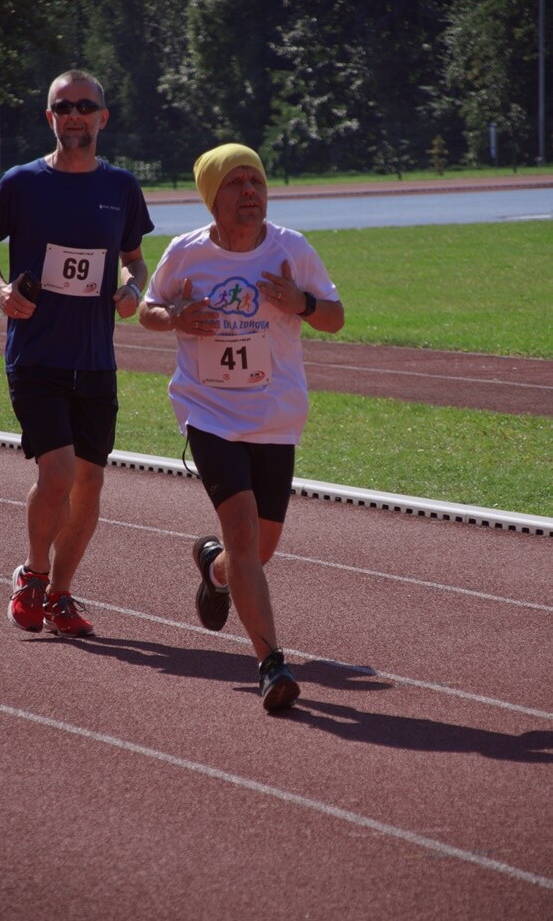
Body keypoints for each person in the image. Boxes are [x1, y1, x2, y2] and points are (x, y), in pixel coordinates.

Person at [138, 143, 344, 711]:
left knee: (259, 547)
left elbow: (334, 316)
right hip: (210, 413)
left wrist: (299, 301)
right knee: (244, 531)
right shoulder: (186, 255)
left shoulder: (290, 248)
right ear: (212, 198)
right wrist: (176, 316)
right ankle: (271, 665)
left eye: (256, 180)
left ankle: (216, 569)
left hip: (275, 416)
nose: (250, 192)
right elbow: (147, 310)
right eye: (235, 183)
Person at [0, 69, 153, 638]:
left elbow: (136, 258)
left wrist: (132, 289)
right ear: (50, 118)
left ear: (103, 117)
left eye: (84, 105)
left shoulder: (121, 187)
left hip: (96, 358)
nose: (74, 114)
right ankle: (33, 573)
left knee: (90, 483)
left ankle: (61, 594)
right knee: (58, 473)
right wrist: (0, 290)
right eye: (62, 106)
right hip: (36, 355)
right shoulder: (22, 183)